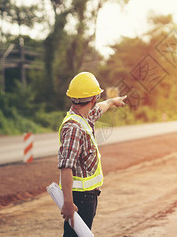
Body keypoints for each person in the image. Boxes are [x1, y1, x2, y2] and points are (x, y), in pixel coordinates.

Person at [58, 72, 126, 236]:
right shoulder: (74, 128)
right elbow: (66, 167)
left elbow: (98, 110)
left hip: (87, 196)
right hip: (79, 199)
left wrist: (111, 101)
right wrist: (68, 202)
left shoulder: (84, 117)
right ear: (94, 97)